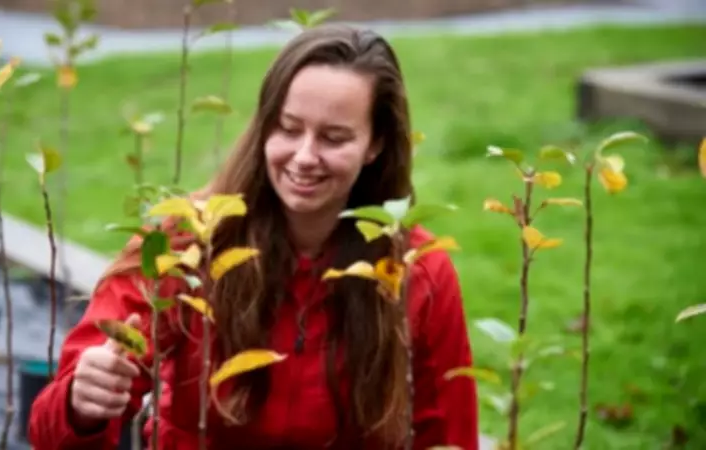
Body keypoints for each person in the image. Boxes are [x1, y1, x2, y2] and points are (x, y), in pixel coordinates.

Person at [28, 23, 479, 450]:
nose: (304, 157)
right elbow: (51, 433)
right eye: (288, 128)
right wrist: (81, 404)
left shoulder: (418, 271)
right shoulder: (189, 243)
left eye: (334, 137)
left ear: (376, 144)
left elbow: (447, 437)